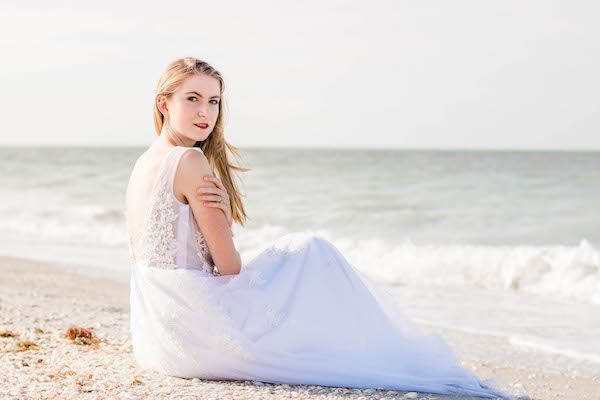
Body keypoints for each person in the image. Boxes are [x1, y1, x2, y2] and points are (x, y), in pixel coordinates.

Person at [125, 57, 513, 399]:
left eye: (213, 100)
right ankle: (369, 347)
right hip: (196, 333)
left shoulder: (144, 163)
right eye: (192, 98)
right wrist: (223, 212)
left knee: (297, 264)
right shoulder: (190, 162)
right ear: (164, 103)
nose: (204, 111)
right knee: (313, 252)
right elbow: (228, 268)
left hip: (157, 335)